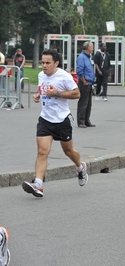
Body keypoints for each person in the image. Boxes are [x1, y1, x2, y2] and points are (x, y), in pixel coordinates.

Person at [22, 49, 89, 198]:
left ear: (56, 63)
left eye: (47, 63)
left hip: (62, 120)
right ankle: (38, 184)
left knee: (68, 151)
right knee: (42, 152)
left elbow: (77, 94)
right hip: (45, 119)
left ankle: (80, 167)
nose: (44, 66)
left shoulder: (64, 77)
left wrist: (57, 93)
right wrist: (38, 95)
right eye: (42, 62)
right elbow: (43, 90)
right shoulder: (41, 75)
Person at [76, 41, 96, 128]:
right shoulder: (82, 57)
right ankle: (81, 121)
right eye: (92, 46)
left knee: (88, 103)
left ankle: (87, 121)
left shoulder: (88, 57)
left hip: (89, 83)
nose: (93, 48)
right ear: (88, 48)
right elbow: (79, 70)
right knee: (83, 103)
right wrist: (84, 81)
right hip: (84, 83)